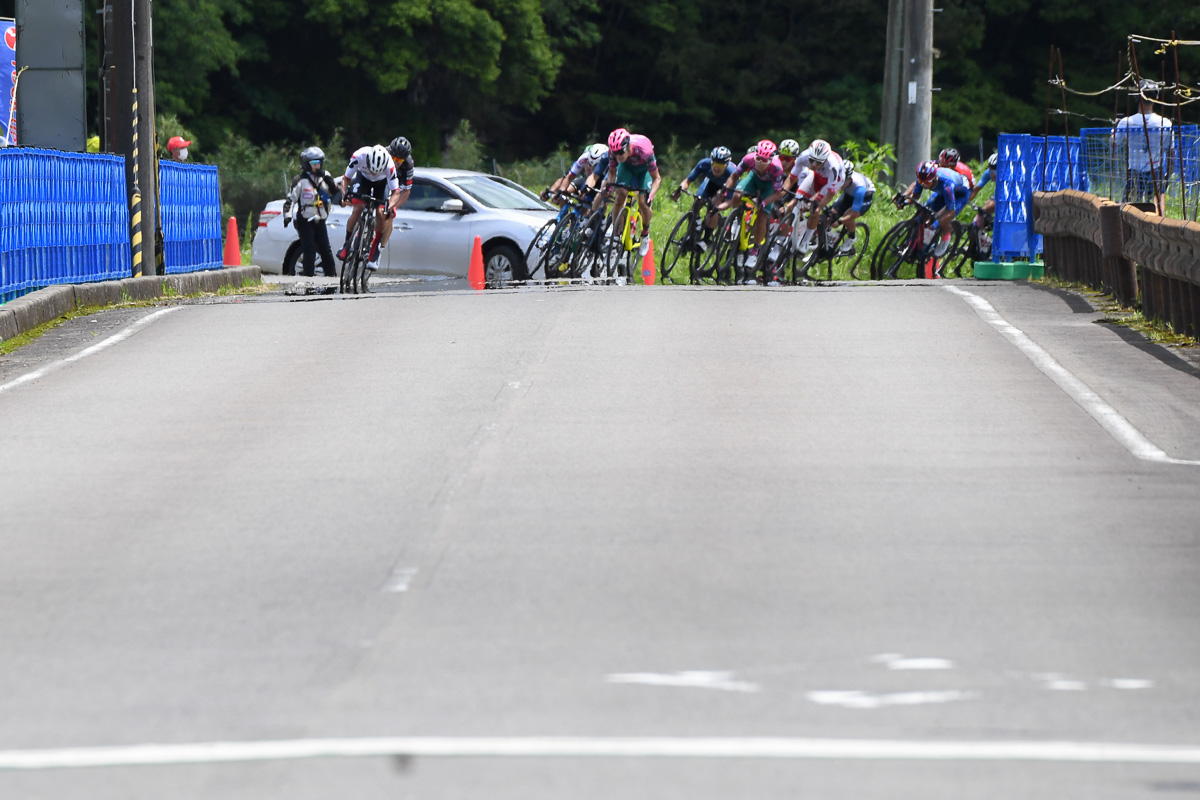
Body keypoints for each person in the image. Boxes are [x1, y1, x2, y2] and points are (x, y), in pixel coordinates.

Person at [718, 139, 787, 281]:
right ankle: (736, 219)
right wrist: (726, 190)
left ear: (771, 159)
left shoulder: (777, 167)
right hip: (753, 179)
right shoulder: (748, 159)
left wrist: (765, 202)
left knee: (763, 214)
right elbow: (734, 176)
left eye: (765, 160)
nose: (761, 163)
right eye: (759, 159)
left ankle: (754, 250)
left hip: (769, 187)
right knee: (737, 194)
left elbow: (779, 192)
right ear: (755, 156)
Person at [338, 144, 401, 271]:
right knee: (358, 208)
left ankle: (376, 245)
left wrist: (389, 206)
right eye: (372, 170)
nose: (374, 173)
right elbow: (345, 180)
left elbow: (396, 193)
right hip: (363, 179)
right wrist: (344, 196)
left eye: (376, 171)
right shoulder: (359, 156)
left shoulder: (390, 166)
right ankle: (347, 243)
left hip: (381, 184)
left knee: (381, 213)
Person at [1113, 83, 1173, 213]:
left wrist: (1115, 128)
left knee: (1130, 205)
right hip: (1155, 168)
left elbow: (1114, 143)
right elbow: (1170, 152)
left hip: (1134, 169)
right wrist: (1169, 173)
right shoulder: (1165, 123)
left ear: (1136, 98)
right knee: (1155, 204)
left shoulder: (1126, 122)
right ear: (1156, 98)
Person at [282, 146, 340, 278]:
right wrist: (287, 216)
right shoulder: (300, 180)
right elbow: (290, 200)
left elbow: (334, 191)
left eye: (319, 162)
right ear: (306, 164)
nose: (318, 166)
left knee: (325, 249)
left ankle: (332, 276)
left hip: (320, 220)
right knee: (309, 249)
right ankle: (309, 277)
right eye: (314, 163)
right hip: (305, 220)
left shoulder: (324, 176)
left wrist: (328, 180)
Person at [605, 128, 662, 258]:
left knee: (643, 203)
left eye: (620, 152)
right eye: (615, 153)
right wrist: (609, 189)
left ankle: (645, 234)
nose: (617, 156)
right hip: (627, 167)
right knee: (620, 196)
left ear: (628, 146)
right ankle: (616, 235)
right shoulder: (614, 153)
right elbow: (612, 173)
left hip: (644, 170)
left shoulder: (644, 152)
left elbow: (657, 178)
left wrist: (651, 196)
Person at [783, 139, 846, 255]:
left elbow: (830, 192)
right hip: (817, 176)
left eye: (818, 162)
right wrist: (780, 195)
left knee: (815, 208)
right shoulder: (803, 157)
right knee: (795, 200)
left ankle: (806, 241)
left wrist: (819, 204)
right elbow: (791, 179)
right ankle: (786, 235)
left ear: (825, 160)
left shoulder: (833, 166)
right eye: (811, 161)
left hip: (833, 181)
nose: (813, 165)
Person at [910, 159, 970, 257]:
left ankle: (946, 236)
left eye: (927, 183)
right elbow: (915, 196)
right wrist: (904, 201)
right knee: (926, 209)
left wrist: (936, 221)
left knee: (940, 221)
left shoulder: (947, 185)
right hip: (942, 192)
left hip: (959, 195)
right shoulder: (923, 176)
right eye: (920, 181)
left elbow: (951, 210)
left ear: (934, 178)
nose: (923, 185)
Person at [671, 145, 734, 240]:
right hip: (710, 183)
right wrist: (679, 190)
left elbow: (729, 201)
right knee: (696, 203)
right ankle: (692, 233)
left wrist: (717, 209)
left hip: (725, 187)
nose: (717, 168)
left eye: (720, 165)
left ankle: (706, 239)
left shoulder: (732, 173)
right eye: (715, 164)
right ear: (711, 161)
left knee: (715, 205)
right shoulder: (704, 164)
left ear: (726, 165)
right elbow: (687, 181)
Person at [828, 160, 875, 254]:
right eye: (838, 179)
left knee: (847, 216)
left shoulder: (859, 188)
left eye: (842, 181)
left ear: (849, 179)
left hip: (864, 198)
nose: (839, 183)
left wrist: (840, 221)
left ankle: (852, 236)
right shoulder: (841, 179)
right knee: (831, 216)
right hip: (848, 194)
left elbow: (855, 212)